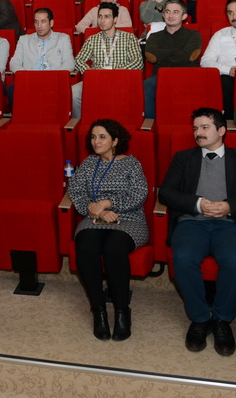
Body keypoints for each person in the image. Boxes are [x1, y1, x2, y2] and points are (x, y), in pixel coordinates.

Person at [160, 107, 236, 357]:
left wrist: (229, 206)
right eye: (195, 128)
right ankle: (200, 318)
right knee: (183, 258)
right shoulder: (183, 158)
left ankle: (222, 319)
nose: (198, 133)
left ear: (221, 131)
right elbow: (166, 193)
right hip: (192, 222)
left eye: (205, 127)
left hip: (230, 224)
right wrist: (197, 203)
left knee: (233, 260)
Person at [68, 119, 147, 340]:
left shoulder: (131, 163)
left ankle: (122, 311)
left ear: (115, 141)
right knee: (86, 247)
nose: (96, 141)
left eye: (102, 137)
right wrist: (99, 211)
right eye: (93, 137)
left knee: (114, 248)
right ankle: (98, 310)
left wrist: (108, 203)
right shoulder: (88, 164)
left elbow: (139, 193)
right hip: (94, 218)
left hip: (129, 218)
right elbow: (76, 192)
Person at [72, 3, 144, 117]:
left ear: (115, 19)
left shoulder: (129, 37)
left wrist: (121, 70)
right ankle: (81, 121)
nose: (102, 20)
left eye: (107, 17)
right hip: (97, 78)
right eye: (100, 16)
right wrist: (89, 71)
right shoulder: (92, 39)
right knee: (74, 91)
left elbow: (138, 62)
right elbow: (78, 60)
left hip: (120, 78)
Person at [143, 0, 201, 119]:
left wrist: (162, 55)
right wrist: (179, 52)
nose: (170, 15)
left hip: (187, 75)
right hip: (161, 75)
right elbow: (151, 56)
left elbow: (189, 56)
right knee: (147, 84)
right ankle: (150, 122)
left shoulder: (193, 35)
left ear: (184, 16)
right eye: (167, 11)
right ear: (163, 15)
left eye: (175, 12)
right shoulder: (154, 36)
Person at [10, 7, 74, 73]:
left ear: (51, 23)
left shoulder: (63, 39)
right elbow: (14, 63)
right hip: (30, 77)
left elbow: (69, 63)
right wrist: (26, 75)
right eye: (36, 22)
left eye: (43, 21)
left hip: (54, 76)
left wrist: (55, 76)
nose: (39, 26)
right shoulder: (24, 40)